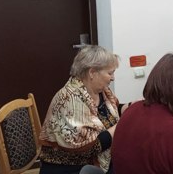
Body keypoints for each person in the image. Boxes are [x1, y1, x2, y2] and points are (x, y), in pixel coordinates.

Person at [39, 45, 131, 174]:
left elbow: (110, 110)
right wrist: (121, 125)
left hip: (96, 161)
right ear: (92, 72)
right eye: (110, 73)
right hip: (70, 167)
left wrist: (130, 107)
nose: (113, 78)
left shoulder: (100, 91)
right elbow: (89, 148)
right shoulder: (69, 99)